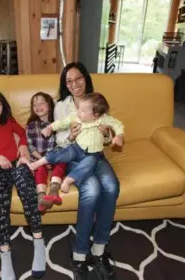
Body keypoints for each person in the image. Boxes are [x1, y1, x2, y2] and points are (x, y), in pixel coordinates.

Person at [53, 62, 120, 280]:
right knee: (91, 191)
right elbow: (59, 143)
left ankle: (99, 250)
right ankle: (79, 254)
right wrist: (71, 136)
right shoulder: (61, 106)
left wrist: (107, 132)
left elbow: (108, 139)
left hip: (96, 155)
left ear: (86, 78)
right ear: (65, 85)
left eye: (78, 78)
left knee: (111, 186)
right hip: (75, 157)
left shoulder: (96, 101)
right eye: (69, 81)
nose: (74, 84)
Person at [0, 89, 46, 280]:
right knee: (0, 205)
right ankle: (5, 253)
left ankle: (39, 243)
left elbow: (22, 133)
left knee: (29, 194)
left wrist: (22, 146)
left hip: (17, 164)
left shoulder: (8, 121)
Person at [29, 92, 124, 194]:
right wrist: (49, 128)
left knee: (89, 164)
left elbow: (117, 124)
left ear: (95, 115)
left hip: (92, 153)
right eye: (78, 108)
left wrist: (119, 135)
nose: (78, 112)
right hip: (76, 148)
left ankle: (69, 180)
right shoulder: (76, 116)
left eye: (82, 110)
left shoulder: (103, 119)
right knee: (61, 154)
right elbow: (62, 122)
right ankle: (39, 162)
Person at [26, 92, 66, 212]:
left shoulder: (57, 124)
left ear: (49, 104)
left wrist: (50, 158)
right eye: (34, 104)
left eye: (41, 102)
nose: (38, 106)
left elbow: (61, 143)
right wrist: (41, 159)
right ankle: (42, 196)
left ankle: (54, 190)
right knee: (39, 169)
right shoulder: (31, 126)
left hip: (54, 158)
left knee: (62, 161)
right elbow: (30, 146)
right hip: (38, 159)